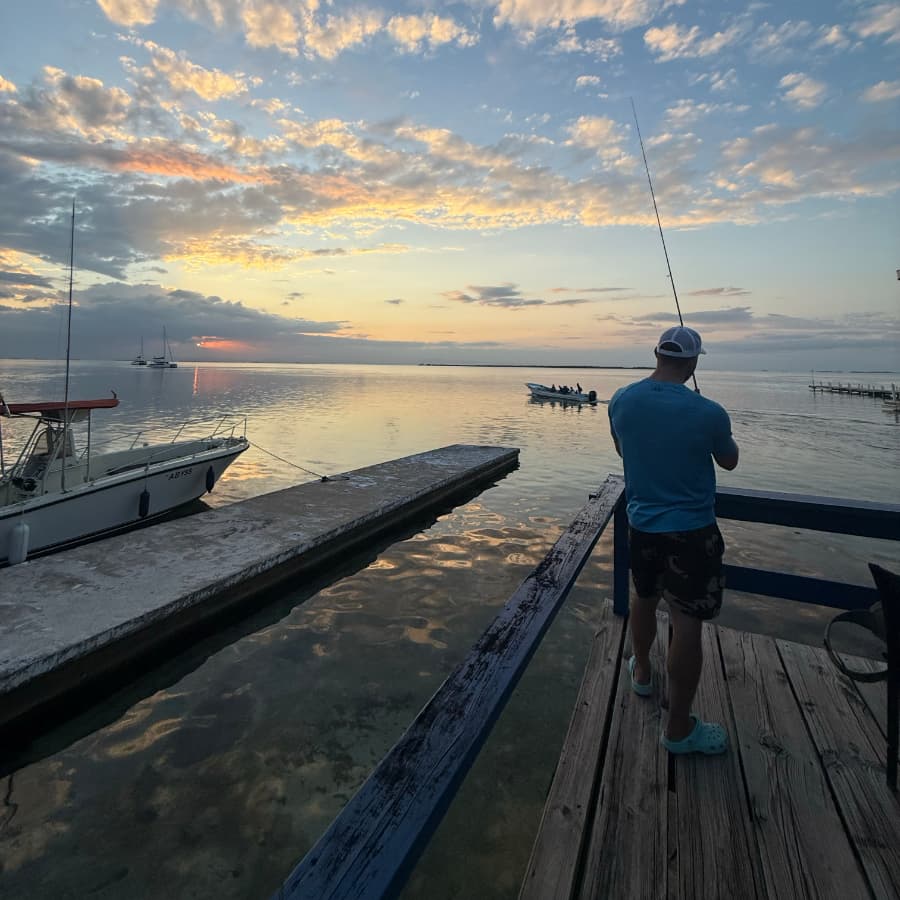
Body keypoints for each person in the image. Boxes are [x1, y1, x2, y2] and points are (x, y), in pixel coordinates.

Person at [608, 325, 739, 755]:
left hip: (641, 525)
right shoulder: (710, 412)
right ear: (694, 361)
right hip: (692, 532)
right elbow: (730, 460)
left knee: (643, 599)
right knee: (686, 622)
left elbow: (623, 450)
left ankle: (642, 673)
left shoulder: (622, 401)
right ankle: (679, 729)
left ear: (657, 355)